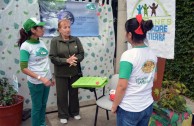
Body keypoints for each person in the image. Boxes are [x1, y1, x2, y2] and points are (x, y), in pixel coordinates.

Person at [111, 14, 157, 126]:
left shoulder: (128, 56)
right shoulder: (152, 53)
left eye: (126, 31)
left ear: (130, 35)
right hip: (147, 106)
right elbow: (154, 78)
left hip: (129, 108)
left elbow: (122, 86)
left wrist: (114, 105)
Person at [18, 17, 54, 126]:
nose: (43, 29)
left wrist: (50, 77)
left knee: (43, 105)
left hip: (46, 80)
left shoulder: (41, 42)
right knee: (37, 107)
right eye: (41, 27)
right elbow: (23, 68)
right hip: (36, 83)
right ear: (33, 30)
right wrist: (41, 78)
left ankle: (42, 124)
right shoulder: (25, 46)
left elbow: (44, 62)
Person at [49, 19, 84, 124]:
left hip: (74, 73)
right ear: (59, 29)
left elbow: (81, 53)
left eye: (69, 27)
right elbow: (52, 57)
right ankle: (63, 115)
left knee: (74, 94)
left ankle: (74, 112)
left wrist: (75, 59)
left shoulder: (76, 40)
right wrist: (66, 60)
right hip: (61, 74)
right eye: (65, 27)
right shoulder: (55, 41)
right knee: (62, 95)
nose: (68, 29)